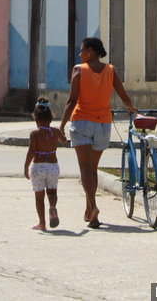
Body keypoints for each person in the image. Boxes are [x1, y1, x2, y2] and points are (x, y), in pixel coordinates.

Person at [59, 37, 137, 229]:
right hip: (103, 125)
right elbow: (124, 95)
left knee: (85, 170)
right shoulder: (111, 70)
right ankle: (89, 211)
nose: (80, 54)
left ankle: (93, 206)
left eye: (82, 50)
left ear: (91, 51)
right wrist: (131, 108)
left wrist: (61, 126)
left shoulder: (79, 69)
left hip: (81, 122)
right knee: (92, 169)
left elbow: (71, 101)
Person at [24, 98, 67, 230]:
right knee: (52, 192)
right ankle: (53, 207)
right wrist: (61, 132)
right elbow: (64, 141)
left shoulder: (34, 134)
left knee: (39, 197)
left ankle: (42, 223)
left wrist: (26, 167)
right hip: (53, 167)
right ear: (50, 118)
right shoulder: (54, 131)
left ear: (36, 119)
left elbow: (31, 152)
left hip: (38, 168)